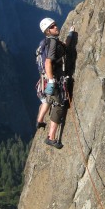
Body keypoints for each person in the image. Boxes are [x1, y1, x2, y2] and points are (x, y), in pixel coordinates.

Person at [36, 17, 75, 149]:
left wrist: (70, 34)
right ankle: (51, 137)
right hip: (53, 78)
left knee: (48, 99)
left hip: (44, 79)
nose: (56, 27)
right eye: (52, 26)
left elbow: (66, 46)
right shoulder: (52, 43)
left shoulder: (47, 42)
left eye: (55, 25)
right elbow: (48, 62)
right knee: (59, 104)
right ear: (47, 31)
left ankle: (40, 121)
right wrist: (52, 80)